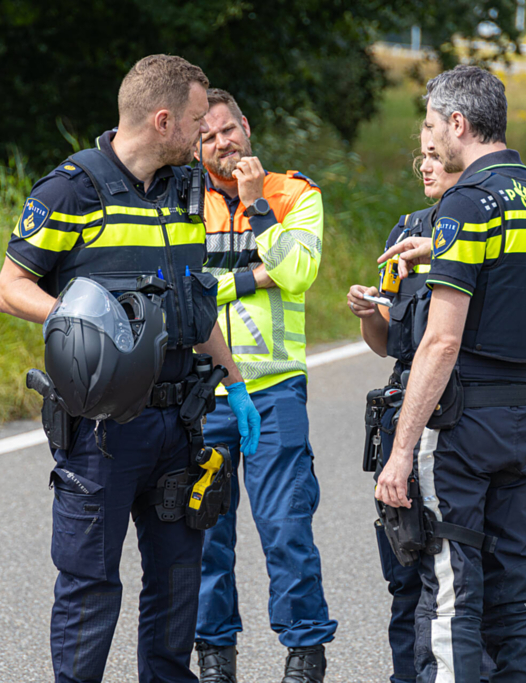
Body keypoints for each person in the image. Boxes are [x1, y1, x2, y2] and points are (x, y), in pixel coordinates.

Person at [0, 55, 262, 683]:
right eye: (198, 121)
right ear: (163, 120)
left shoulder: (183, 191)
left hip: (179, 424)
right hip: (101, 429)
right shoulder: (71, 189)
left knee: (176, 585)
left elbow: (192, 299)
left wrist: (237, 383)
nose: (205, 135)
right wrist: (87, 322)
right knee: (90, 588)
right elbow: (10, 288)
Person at [373, 65, 526, 683]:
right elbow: (507, 274)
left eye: (433, 126)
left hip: (462, 428)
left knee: (453, 600)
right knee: (517, 601)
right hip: (520, 419)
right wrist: (436, 248)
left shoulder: (468, 202)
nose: (429, 140)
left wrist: (402, 451)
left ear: (459, 123)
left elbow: (441, 339)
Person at [191, 88, 334, 683]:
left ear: (246, 128)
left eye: (228, 130)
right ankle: (214, 655)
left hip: (275, 390)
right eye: (208, 136)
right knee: (204, 538)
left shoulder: (294, 193)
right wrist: (253, 277)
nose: (222, 143)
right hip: (201, 393)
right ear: (193, 146)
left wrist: (257, 208)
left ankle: (305, 653)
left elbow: (298, 272)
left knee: (285, 529)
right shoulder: (181, 199)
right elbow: (182, 286)